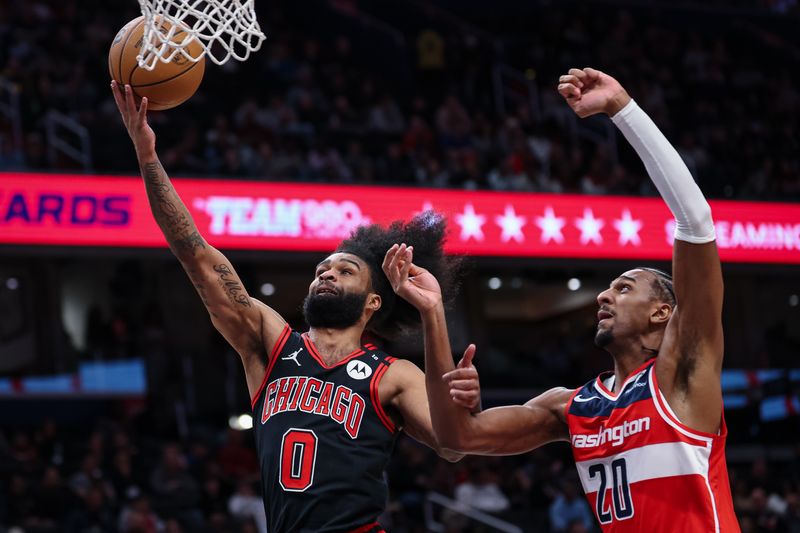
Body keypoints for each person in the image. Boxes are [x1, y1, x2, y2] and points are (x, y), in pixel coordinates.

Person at [110, 81, 480, 532]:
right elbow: (196, 254)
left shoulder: (394, 374)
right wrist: (148, 157)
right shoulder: (271, 343)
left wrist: (462, 403)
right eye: (322, 268)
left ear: (373, 302)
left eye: (345, 271)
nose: (326, 273)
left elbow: (453, 446)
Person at [383, 68, 739, 532]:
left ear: (662, 313)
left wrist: (622, 110)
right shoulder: (570, 407)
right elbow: (456, 437)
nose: (604, 295)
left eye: (625, 286)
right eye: (610, 287)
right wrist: (432, 312)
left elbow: (696, 220)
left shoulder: (684, 372)